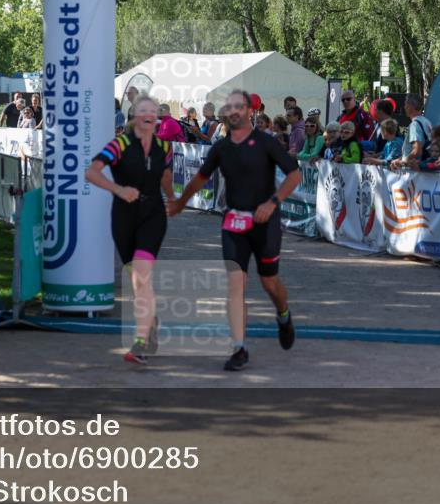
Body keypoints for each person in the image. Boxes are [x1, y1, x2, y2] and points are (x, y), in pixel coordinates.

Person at [168, 89, 302, 371]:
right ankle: (239, 348)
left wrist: (273, 201)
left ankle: (283, 314)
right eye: (230, 107)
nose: (234, 111)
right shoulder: (222, 148)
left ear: (249, 111)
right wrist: (180, 202)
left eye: (240, 107)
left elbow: (295, 173)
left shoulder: (266, 143)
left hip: (265, 223)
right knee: (235, 284)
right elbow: (200, 178)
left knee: (269, 283)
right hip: (233, 223)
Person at [86, 94, 175, 365]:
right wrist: (118, 189)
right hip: (124, 215)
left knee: (140, 275)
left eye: (154, 111)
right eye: (144, 110)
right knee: (137, 281)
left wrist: (172, 199)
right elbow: (92, 172)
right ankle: (152, 321)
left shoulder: (164, 147)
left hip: (153, 215)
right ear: (135, 116)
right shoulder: (120, 144)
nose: (150, 114)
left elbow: (166, 176)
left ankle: (140, 341)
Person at [392, 95, 431, 170]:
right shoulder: (426, 121)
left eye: (405, 104)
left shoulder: (414, 125)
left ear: (411, 106)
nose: (404, 107)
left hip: (413, 171)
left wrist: (403, 161)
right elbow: (412, 150)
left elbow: (417, 151)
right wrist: (400, 159)